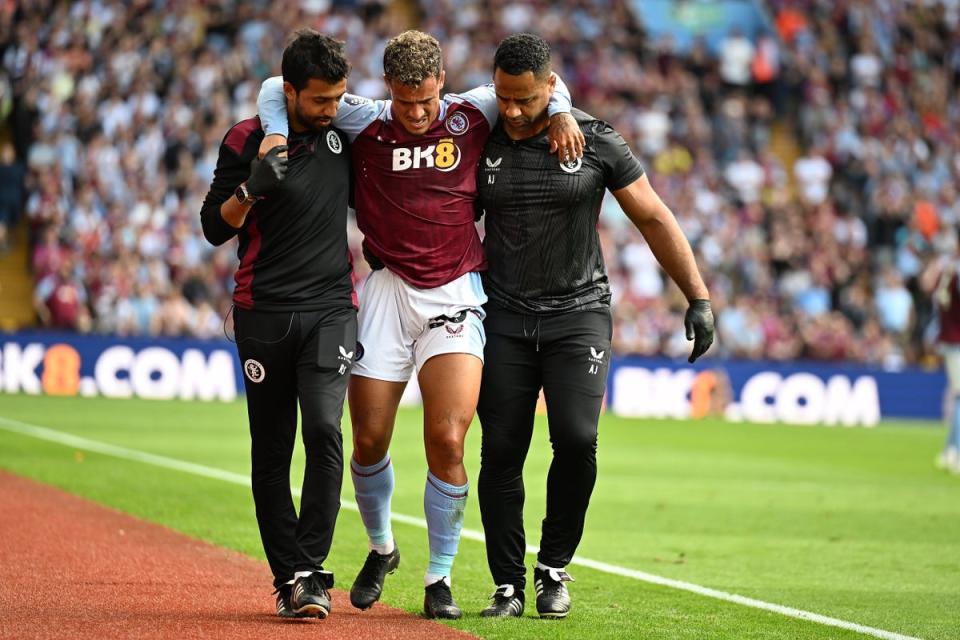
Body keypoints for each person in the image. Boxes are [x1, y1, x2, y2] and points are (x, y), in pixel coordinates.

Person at [256, 30, 584, 619]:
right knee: (367, 441)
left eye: (426, 100)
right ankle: (382, 548)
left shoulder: (471, 110)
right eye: (405, 102)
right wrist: (277, 132)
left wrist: (559, 112)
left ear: (442, 85)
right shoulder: (361, 118)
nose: (416, 113)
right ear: (388, 89)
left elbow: (545, 84)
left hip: (456, 296)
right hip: (385, 292)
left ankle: (439, 578)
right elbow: (269, 88)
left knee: (448, 439)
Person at [474, 34, 715, 619]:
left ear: (550, 87)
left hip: (578, 314)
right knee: (502, 449)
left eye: (525, 100)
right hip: (502, 315)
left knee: (578, 440)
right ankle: (506, 584)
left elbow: (654, 216)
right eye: (503, 97)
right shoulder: (479, 137)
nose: (511, 110)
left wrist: (698, 297)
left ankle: (553, 569)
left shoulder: (597, 139)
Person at [199, 30, 357, 620]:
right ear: (289, 92)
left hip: (331, 308)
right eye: (319, 100)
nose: (331, 110)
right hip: (261, 310)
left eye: (338, 98)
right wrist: (250, 189)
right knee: (272, 450)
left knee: (324, 429)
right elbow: (215, 226)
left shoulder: (347, 131)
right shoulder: (245, 137)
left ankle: (312, 571)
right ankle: (288, 575)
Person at [921, 246, 960, 474]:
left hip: (948, 339)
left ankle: (950, 450)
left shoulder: (946, 271)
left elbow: (927, 286)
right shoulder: (955, 273)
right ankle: (954, 452)